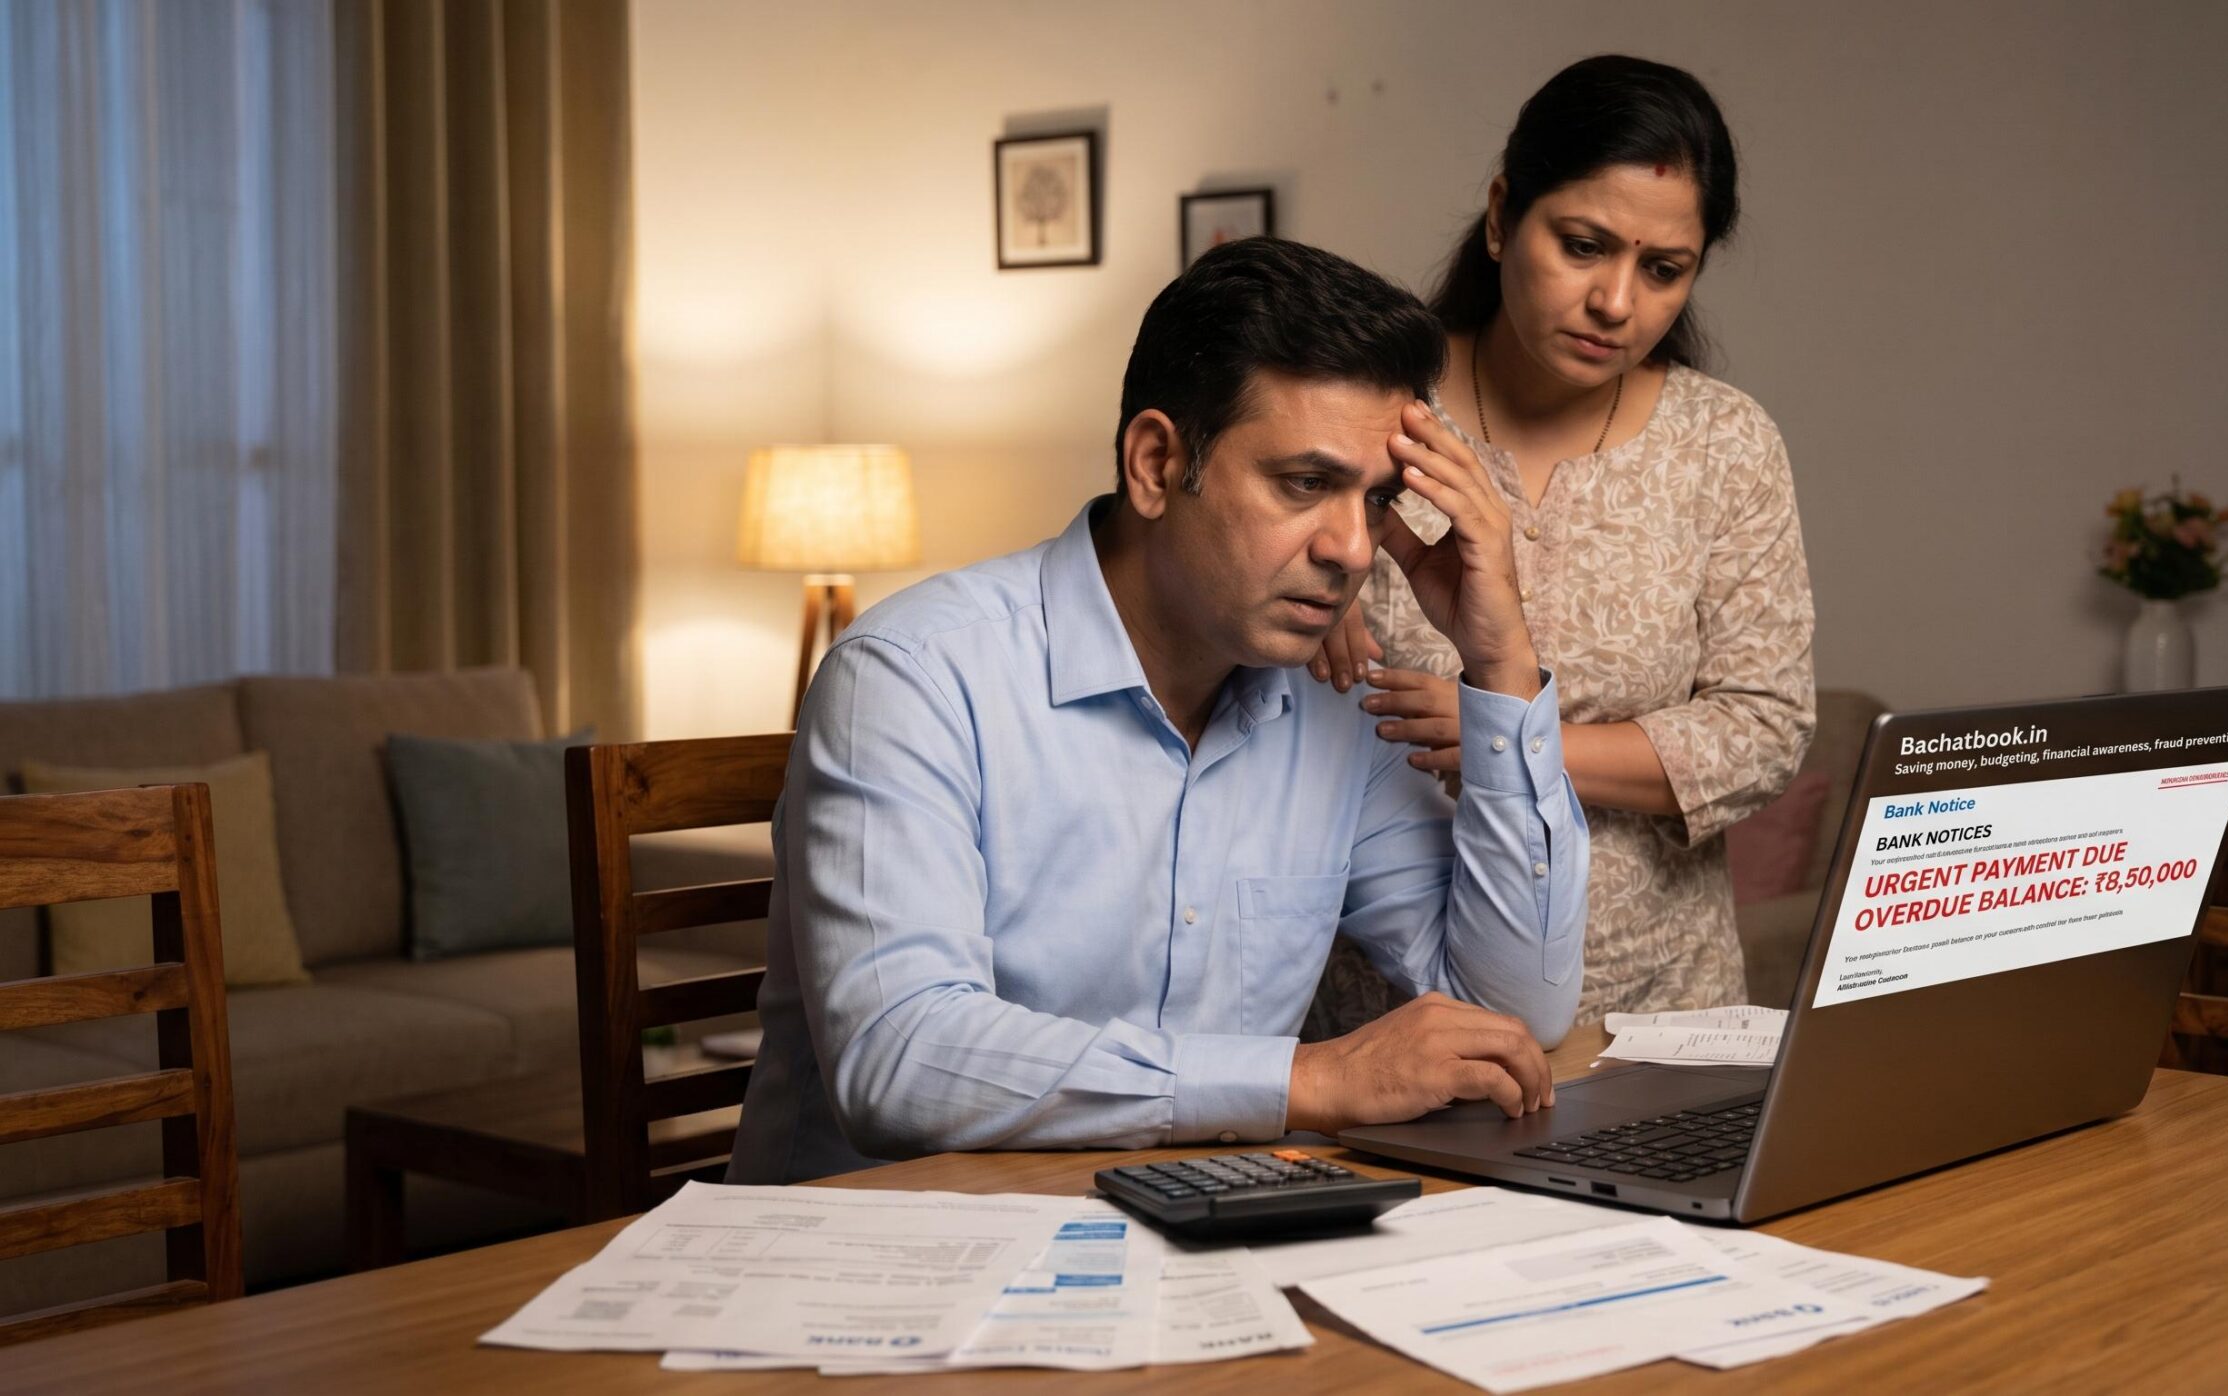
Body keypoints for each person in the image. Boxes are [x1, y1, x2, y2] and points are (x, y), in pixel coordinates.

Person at [727, 237, 1590, 1182]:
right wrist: (1303, 1081)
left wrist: (1500, 658)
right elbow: (900, 1061)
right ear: (1154, 463)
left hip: (1189, 1252)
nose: (1352, 548)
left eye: (1377, 500)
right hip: (885, 1267)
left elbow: (1515, 1013)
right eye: (1305, 484)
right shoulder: (913, 677)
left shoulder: (1335, 713)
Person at [1307, 55, 1814, 1030]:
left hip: (1661, 1016)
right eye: (1583, 246)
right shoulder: (1369, 408)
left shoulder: (1723, 442)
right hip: (1386, 1015)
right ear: (1502, 215)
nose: (1617, 302)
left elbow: (1764, 728)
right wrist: (1284, 627)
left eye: (1663, 270)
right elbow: (1222, 603)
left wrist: (1511, 741)